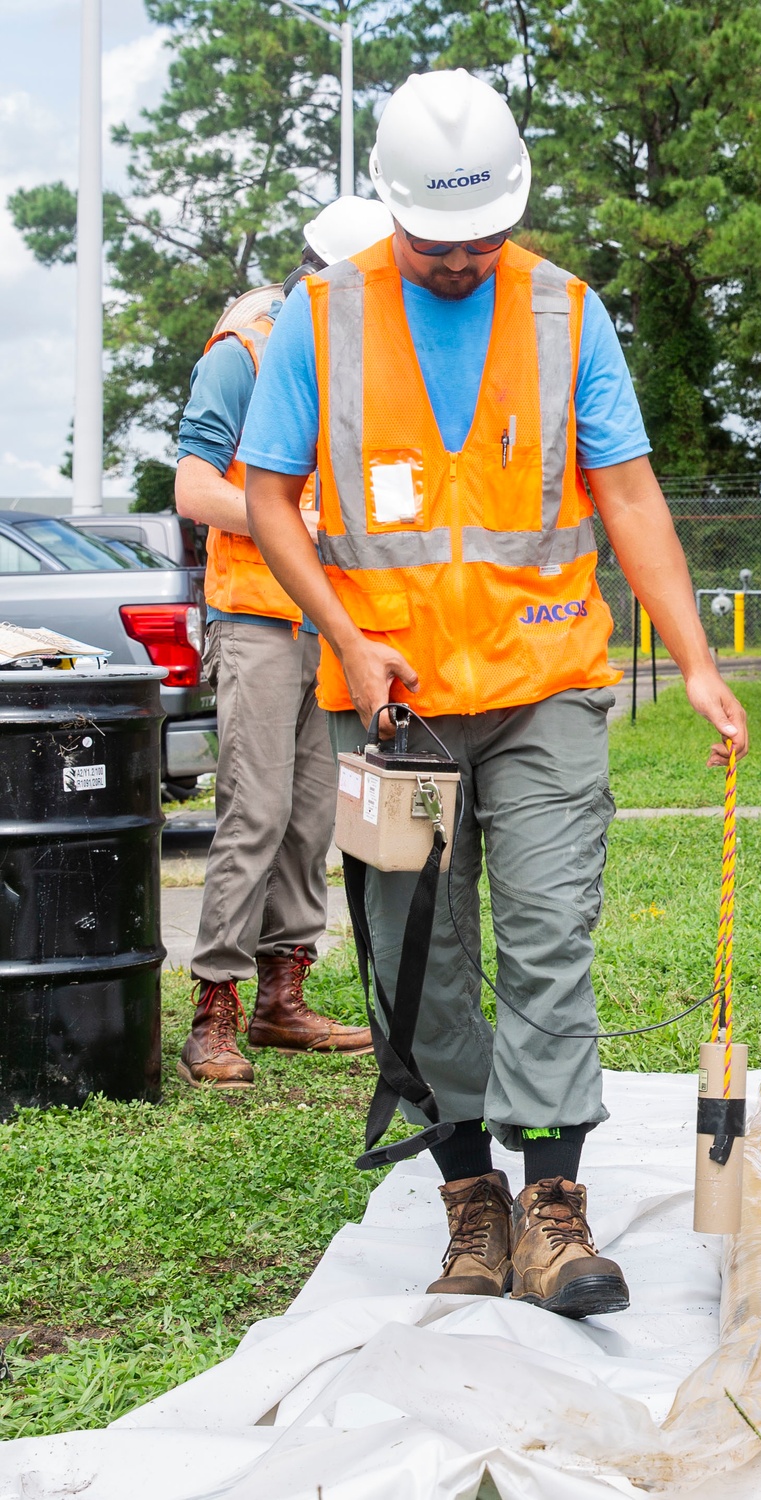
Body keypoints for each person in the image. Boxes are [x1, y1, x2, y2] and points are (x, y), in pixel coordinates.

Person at [238, 72, 749, 1316]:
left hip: (545, 688)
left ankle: (554, 1214)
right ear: (390, 212)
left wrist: (692, 657)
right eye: (433, 241)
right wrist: (349, 641)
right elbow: (267, 496)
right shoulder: (320, 318)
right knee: (417, 951)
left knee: (547, 933)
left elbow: (626, 494)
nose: (460, 260)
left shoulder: (570, 314)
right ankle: (471, 1202)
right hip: (392, 705)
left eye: (481, 238)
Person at [174, 195, 393, 1089]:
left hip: (329, 623)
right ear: (326, 273)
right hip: (259, 618)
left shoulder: (361, 354)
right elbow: (194, 488)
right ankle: (213, 1011)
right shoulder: (248, 349)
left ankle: (282, 1000)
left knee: (309, 821)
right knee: (255, 815)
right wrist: (287, 521)